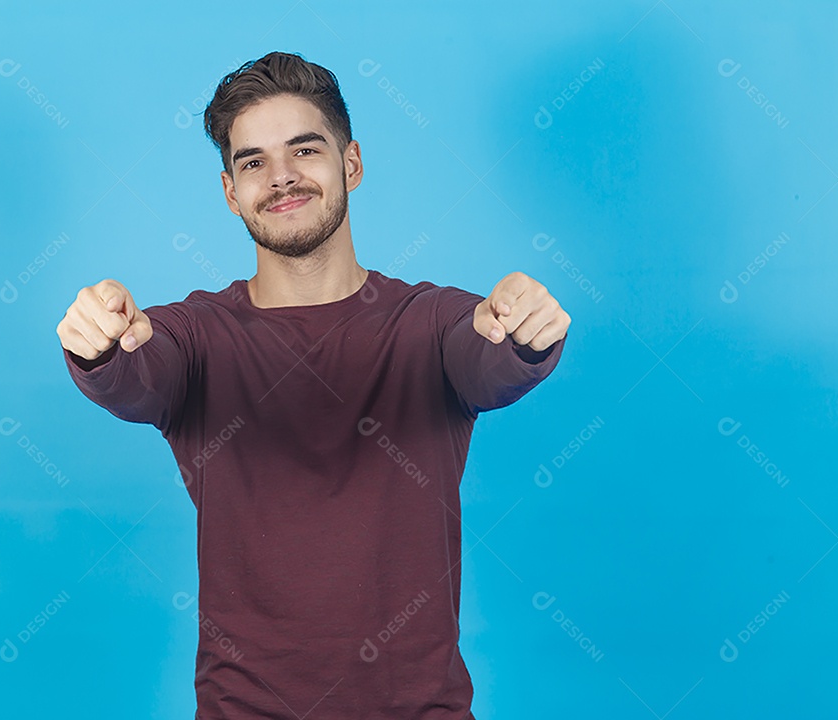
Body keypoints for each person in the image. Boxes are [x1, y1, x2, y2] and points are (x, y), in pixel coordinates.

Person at [57, 50, 570, 720]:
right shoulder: (195, 335)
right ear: (229, 192)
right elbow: (136, 377)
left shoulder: (430, 321)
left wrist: (524, 331)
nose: (282, 178)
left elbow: (486, 360)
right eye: (252, 162)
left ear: (351, 165)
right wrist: (99, 345)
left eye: (305, 149)